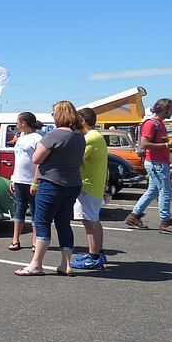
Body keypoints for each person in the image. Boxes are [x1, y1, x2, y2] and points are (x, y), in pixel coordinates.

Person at [15, 101, 85, 277]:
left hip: (52, 184)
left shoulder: (55, 135)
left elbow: (36, 159)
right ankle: (66, 264)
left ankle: (36, 264)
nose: (52, 116)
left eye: (54, 113)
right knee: (63, 223)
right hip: (73, 184)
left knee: (42, 222)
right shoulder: (79, 136)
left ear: (60, 115)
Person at [125, 98, 172, 234]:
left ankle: (134, 216)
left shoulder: (160, 124)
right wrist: (167, 145)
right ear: (164, 109)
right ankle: (165, 222)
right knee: (165, 191)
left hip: (159, 163)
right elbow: (145, 144)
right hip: (156, 163)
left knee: (153, 191)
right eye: (171, 109)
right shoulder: (151, 124)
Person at [70, 107, 109, 270]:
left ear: (83, 121)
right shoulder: (97, 136)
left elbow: (76, 158)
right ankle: (98, 252)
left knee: (89, 222)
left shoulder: (90, 138)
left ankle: (93, 257)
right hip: (95, 184)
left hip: (88, 185)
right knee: (94, 220)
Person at [8, 112, 43, 251]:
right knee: (19, 209)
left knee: (35, 211)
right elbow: (18, 160)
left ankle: (35, 242)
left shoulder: (38, 138)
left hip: (31, 181)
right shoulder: (21, 137)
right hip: (19, 180)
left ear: (23, 123)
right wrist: (13, 178)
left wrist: (36, 182)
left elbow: (40, 162)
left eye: (18, 122)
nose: (16, 124)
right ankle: (15, 240)